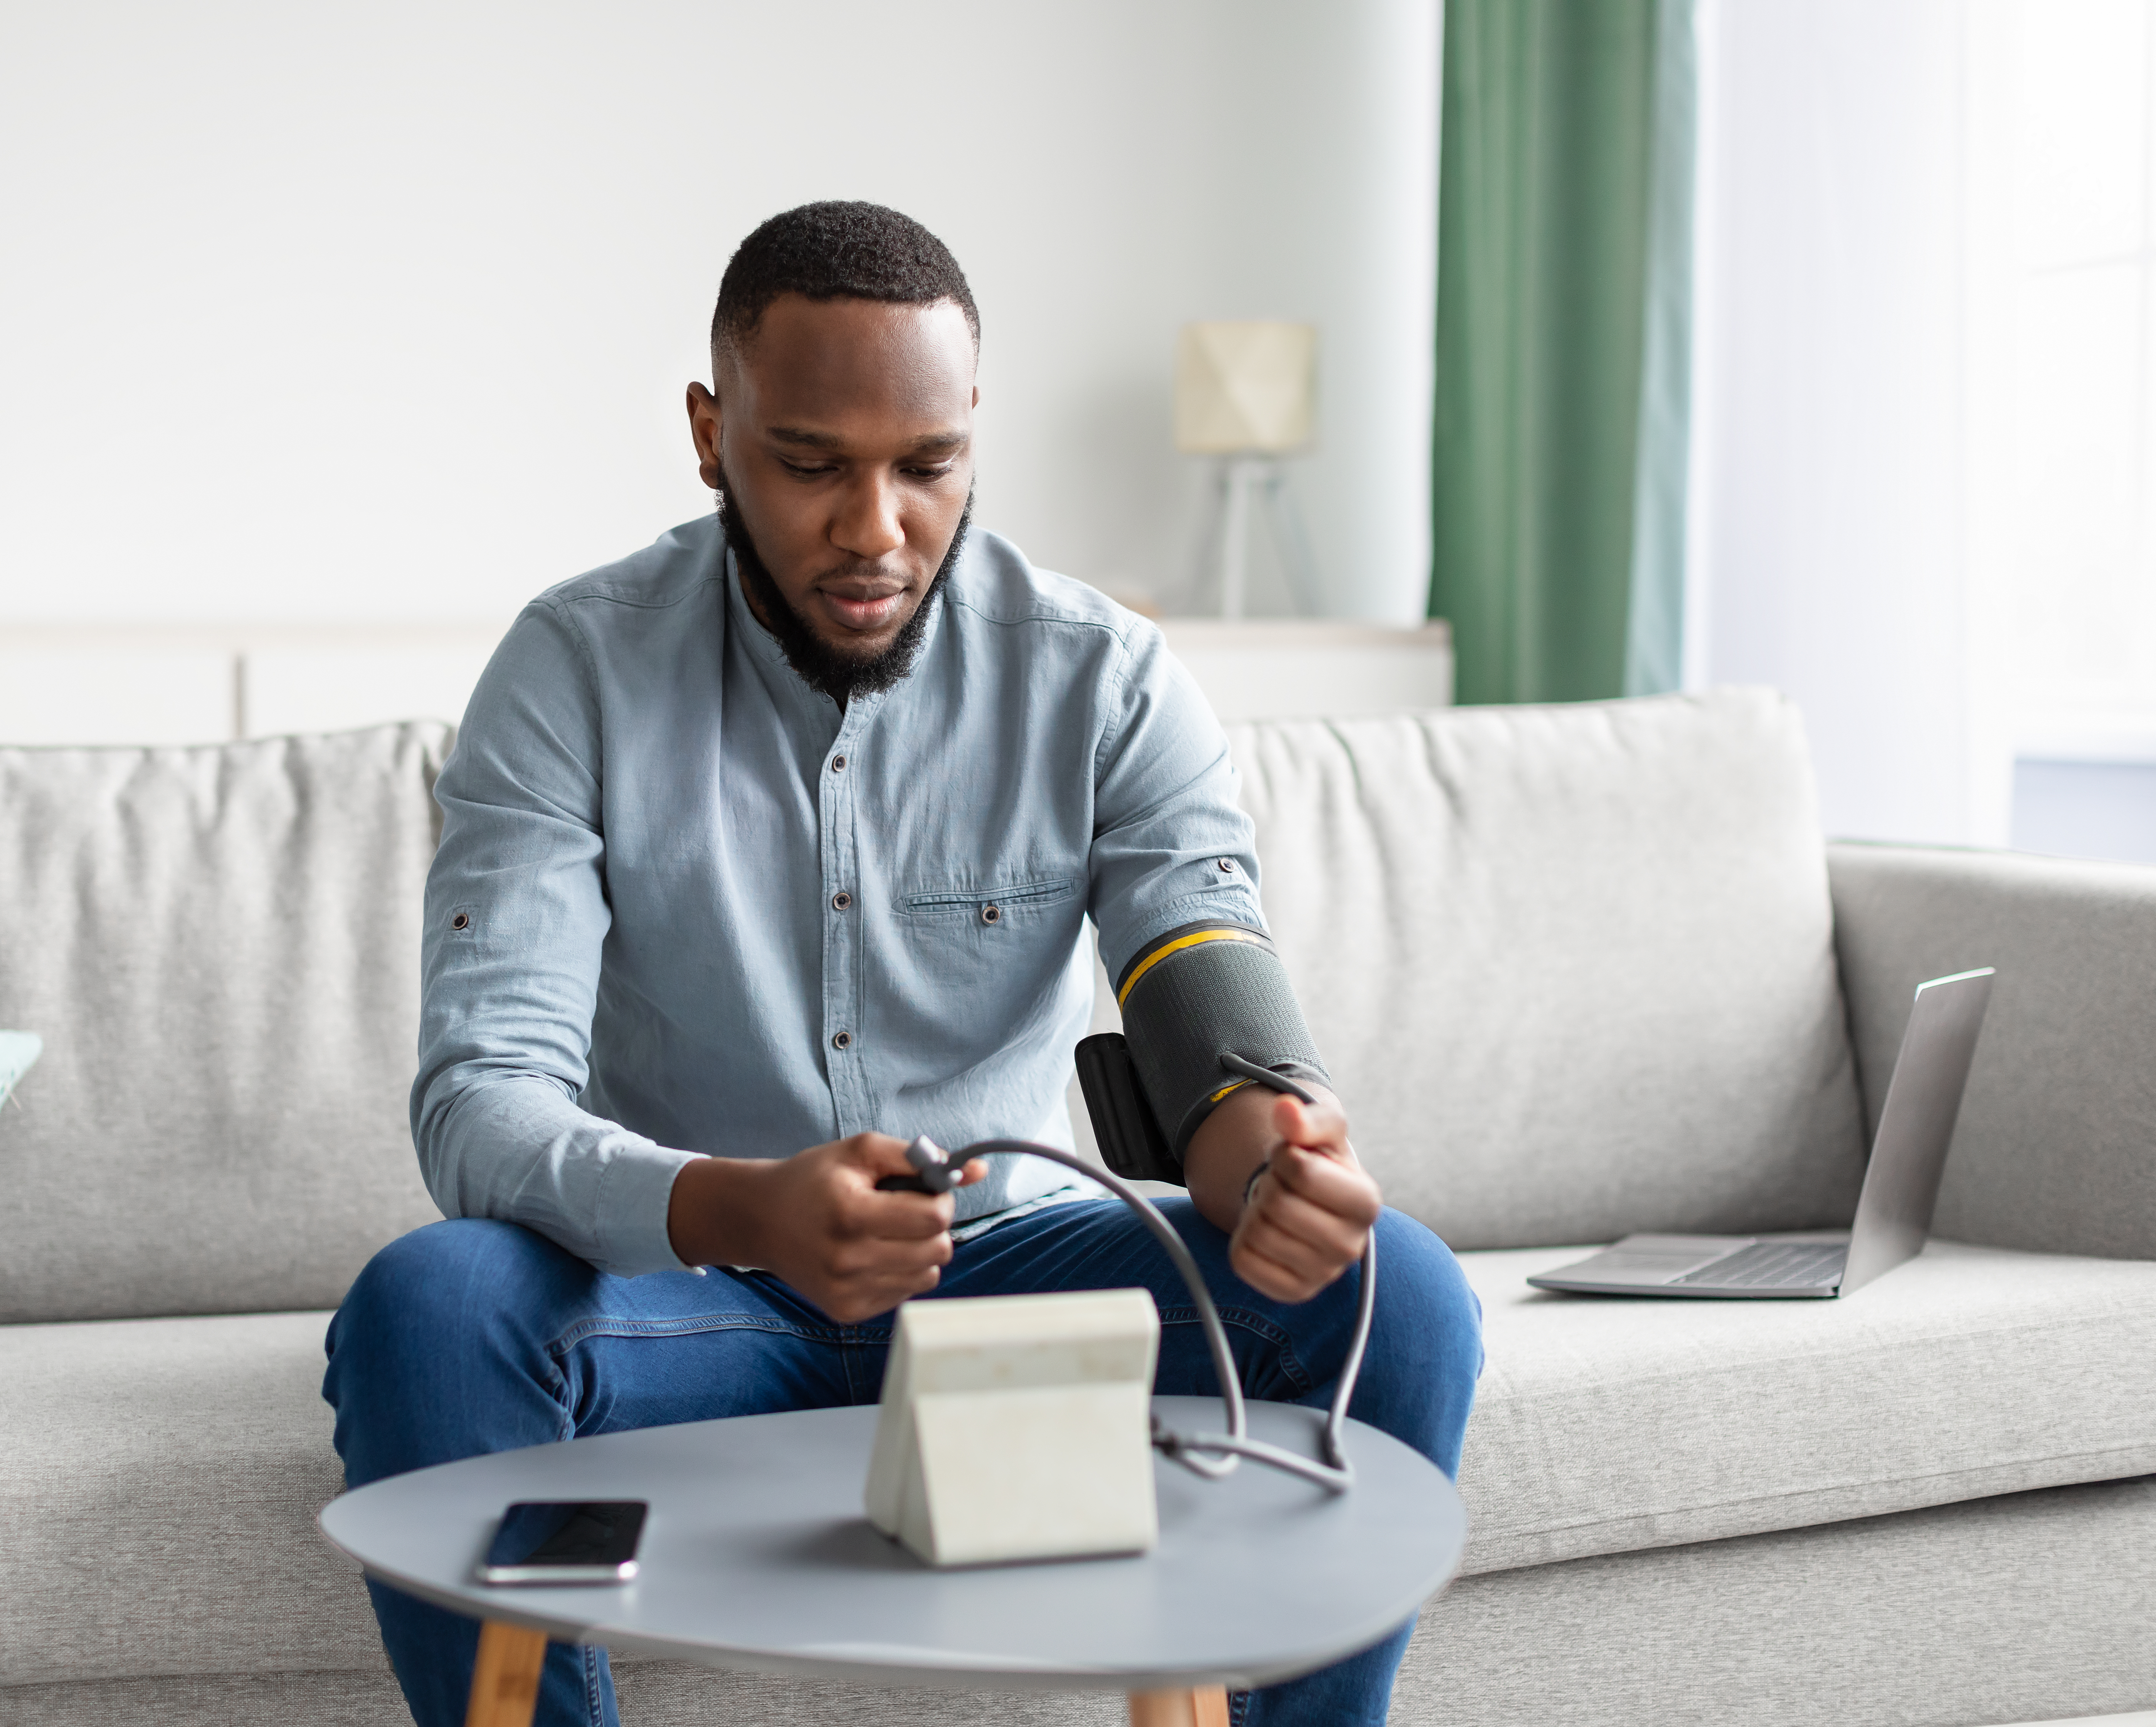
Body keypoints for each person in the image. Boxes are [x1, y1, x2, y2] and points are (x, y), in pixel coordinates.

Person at [324, 200, 1482, 1727]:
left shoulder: (1106, 679)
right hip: (697, 1283)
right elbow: (482, 1101)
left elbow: (1209, 1001)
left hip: (1016, 1275)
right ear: (709, 431)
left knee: (1400, 1291)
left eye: (926, 468)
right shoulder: (572, 672)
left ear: (974, 436)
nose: (875, 529)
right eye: (810, 464)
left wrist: (1271, 1157)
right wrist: (741, 1205)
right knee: (427, 1310)